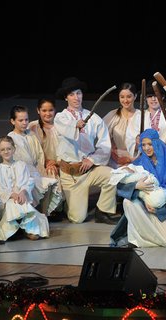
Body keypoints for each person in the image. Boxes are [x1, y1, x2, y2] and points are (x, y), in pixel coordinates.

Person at [110, 129, 166, 249]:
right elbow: (122, 184)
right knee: (128, 202)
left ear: (156, 143)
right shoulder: (139, 162)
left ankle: (150, 239)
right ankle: (139, 239)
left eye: (150, 144)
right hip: (145, 206)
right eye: (143, 145)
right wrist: (137, 188)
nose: (147, 148)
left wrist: (162, 204)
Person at [54, 77, 119, 224]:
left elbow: (104, 145)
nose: (76, 97)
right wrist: (76, 125)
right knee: (77, 218)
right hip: (71, 175)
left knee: (112, 175)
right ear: (66, 97)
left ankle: (102, 211)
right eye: (71, 94)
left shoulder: (94, 118)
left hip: (88, 171)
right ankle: (67, 202)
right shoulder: (61, 117)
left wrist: (92, 159)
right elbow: (66, 129)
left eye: (78, 93)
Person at [0, 136, 50, 241]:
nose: (6, 151)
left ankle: (25, 226)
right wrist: (13, 195)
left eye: (9, 148)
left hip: (22, 199)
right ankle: (15, 226)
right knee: (13, 205)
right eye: (3, 150)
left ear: (14, 149)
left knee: (35, 234)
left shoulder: (21, 165)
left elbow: (28, 181)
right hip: (8, 201)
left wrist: (22, 192)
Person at [8, 105, 62, 216]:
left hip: (35, 170)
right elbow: (18, 163)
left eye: (26, 119)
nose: (24, 123)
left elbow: (39, 155)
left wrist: (44, 167)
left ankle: (44, 214)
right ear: (13, 121)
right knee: (40, 184)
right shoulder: (11, 138)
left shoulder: (31, 134)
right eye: (20, 120)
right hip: (23, 175)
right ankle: (35, 214)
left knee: (51, 179)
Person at [28, 97, 65, 221]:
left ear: (55, 111)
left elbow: (66, 148)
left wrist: (57, 162)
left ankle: (59, 207)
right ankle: (47, 210)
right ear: (38, 110)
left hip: (61, 163)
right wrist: (46, 162)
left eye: (50, 110)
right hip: (41, 164)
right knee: (49, 174)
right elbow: (34, 150)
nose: (47, 113)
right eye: (44, 110)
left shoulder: (60, 126)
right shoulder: (33, 127)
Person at [103, 82, 138, 168]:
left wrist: (130, 158)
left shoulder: (142, 116)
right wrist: (111, 150)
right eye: (122, 97)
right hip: (115, 162)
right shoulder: (113, 115)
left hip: (137, 162)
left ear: (135, 96)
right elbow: (101, 137)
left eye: (129, 96)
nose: (125, 100)